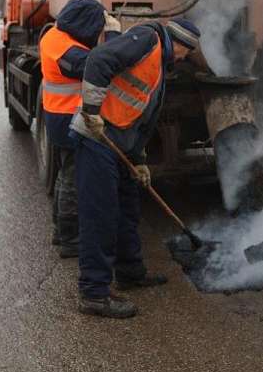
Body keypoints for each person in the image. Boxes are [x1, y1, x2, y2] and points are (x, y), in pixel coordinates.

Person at [70, 17, 201, 319]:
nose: (183, 60)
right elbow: (98, 60)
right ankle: (94, 293)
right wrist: (91, 110)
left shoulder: (160, 68)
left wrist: (140, 161)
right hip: (97, 137)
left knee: (128, 208)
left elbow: (142, 118)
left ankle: (129, 271)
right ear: (179, 43)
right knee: (100, 216)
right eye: (186, 53)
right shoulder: (146, 40)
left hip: (121, 145)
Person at [39, 0, 121, 258]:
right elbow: (97, 66)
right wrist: (112, 38)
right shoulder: (64, 48)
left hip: (60, 115)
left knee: (65, 175)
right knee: (73, 179)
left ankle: (59, 232)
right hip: (67, 118)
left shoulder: (57, 35)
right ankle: (70, 239)